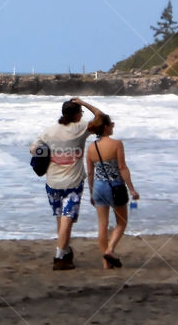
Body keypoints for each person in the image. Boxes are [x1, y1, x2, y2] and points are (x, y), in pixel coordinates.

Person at [30, 97, 104, 270]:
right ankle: (59, 255)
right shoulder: (81, 128)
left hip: (52, 181)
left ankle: (65, 251)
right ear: (77, 114)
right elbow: (101, 116)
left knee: (61, 217)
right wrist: (84, 103)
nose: (82, 114)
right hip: (73, 182)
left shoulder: (49, 131)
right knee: (67, 217)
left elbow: (33, 149)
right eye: (81, 112)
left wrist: (50, 152)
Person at [86, 113, 140, 269]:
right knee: (121, 223)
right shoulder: (117, 144)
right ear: (106, 127)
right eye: (112, 124)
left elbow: (90, 173)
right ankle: (109, 251)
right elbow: (122, 167)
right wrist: (132, 189)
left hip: (98, 187)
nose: (113, 126)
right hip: (115, 186)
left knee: (102, 225)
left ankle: (106, 262)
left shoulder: (91, 148)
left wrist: (90, 193)